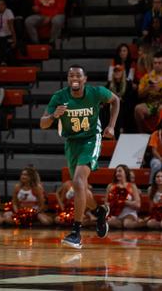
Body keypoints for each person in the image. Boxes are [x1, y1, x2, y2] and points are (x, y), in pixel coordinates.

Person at [40, 64, 120, 249]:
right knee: (80, 187)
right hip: (72, 142)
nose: (74, 78)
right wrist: (53, 115)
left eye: (78, 76)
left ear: (85, 79)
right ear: (68, 80)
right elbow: (43, 124)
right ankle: (99, 211)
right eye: (71, 76)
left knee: (78, 182)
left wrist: (111, 125)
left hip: (91, 139)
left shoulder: (96, 92)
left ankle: (76, 232)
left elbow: (115, 100)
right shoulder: (60, 97)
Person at [106, 164, 144, 229]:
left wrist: (124, 202)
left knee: (127, 224)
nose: (117, 173)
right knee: (108, 222)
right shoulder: (110, 186)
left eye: (120, 171)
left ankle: (144, 223)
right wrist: (114, 203)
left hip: (129, 213)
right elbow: (106, 203)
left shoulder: (132, 186)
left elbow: (138, 204)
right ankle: (120, 224)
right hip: (114, 214)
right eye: (116, 172)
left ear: (125, 173)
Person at [135, 51, 162, 133]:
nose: (157, 65)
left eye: (160, 63)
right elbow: (139, 94)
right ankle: (142, 134)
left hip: (161, 103)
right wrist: (147, 88)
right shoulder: (147, 77)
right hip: (150, 104)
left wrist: (160, 90)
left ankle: (158, 135)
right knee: (138, 109)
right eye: (155, 63)